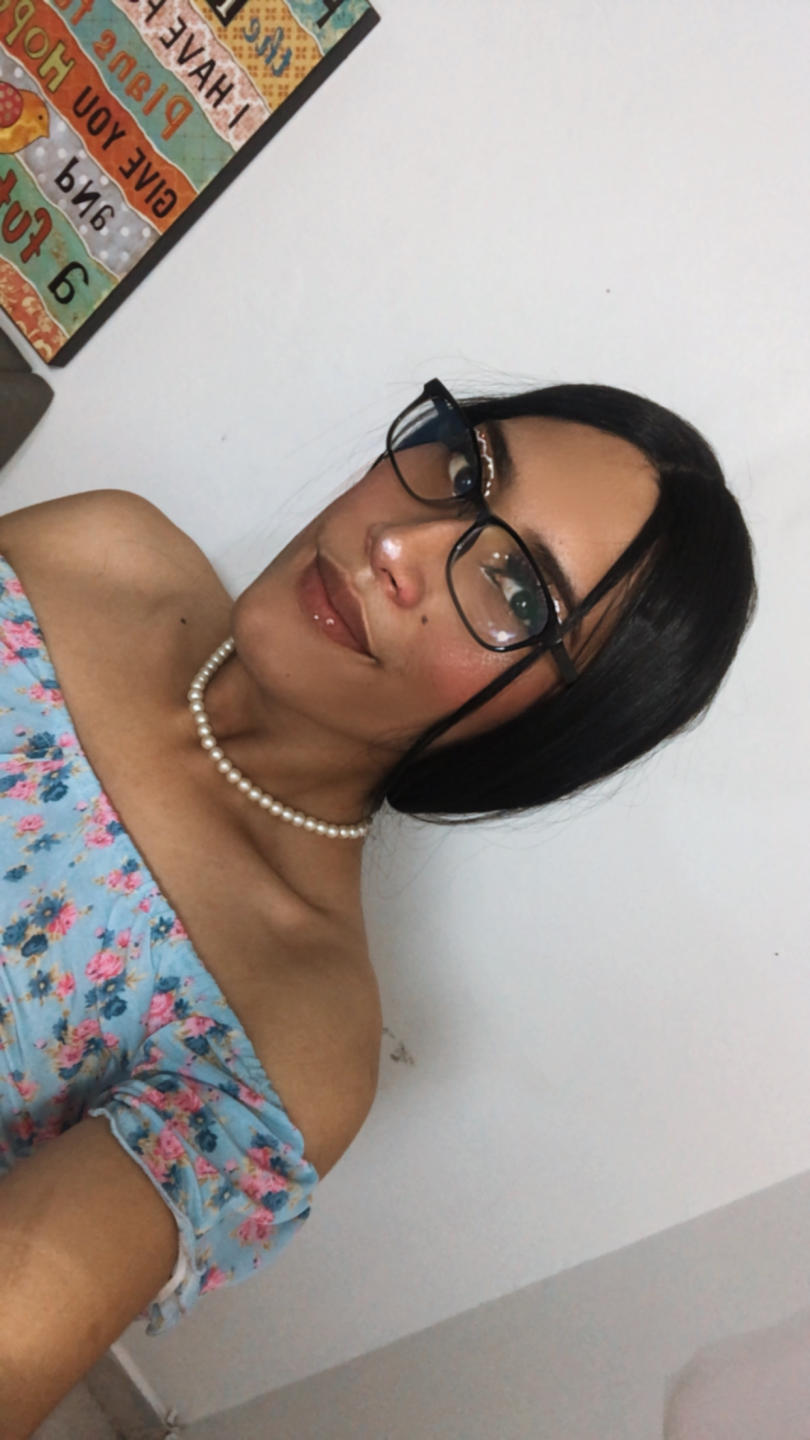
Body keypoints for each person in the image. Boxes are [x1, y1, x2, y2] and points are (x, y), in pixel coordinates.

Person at [0, 377, 755, 1434]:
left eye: (516, 591)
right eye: (466, 470)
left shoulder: (284, 1037)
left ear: (548, 730)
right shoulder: (107, 553)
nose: (398, 544)